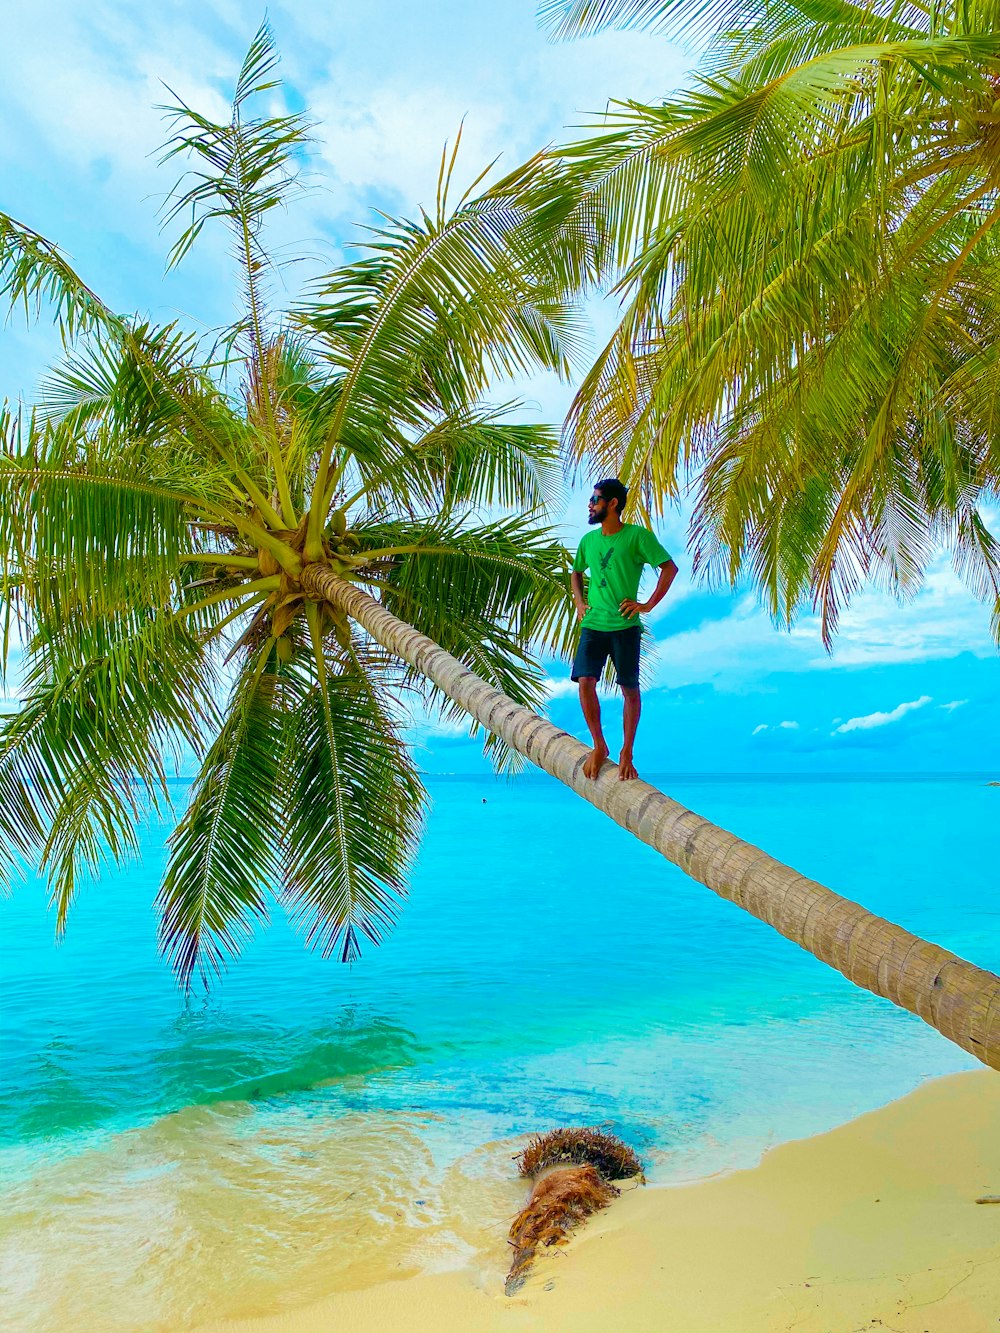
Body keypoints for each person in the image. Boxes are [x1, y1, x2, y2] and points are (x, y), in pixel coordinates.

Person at [570, 478, 677, 781]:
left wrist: (648, 604)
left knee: (629, 690)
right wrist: (579, 602)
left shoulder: (636, 537)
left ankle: (627, 751)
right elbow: (576, 572)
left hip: (625, 627)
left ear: (613, 503)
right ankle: (599, 744)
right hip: (593, 625)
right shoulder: (588, 541)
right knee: (585, 681)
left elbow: (669, 568)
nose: (590, 504)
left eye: (596, 498)